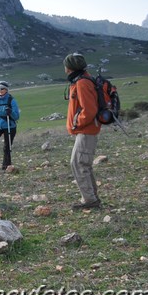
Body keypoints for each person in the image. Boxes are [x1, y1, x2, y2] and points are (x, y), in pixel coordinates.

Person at [64, 52, 102, 209]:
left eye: (66, 65)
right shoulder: (79, 80)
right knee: (82, 163)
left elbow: (89, 110)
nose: (65, 68)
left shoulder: (82, 83)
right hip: (85, 130)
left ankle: (90, 201)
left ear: (70, 67)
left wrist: (76, 124)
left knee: (79, 163)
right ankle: (91, 197)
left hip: (86, 129)